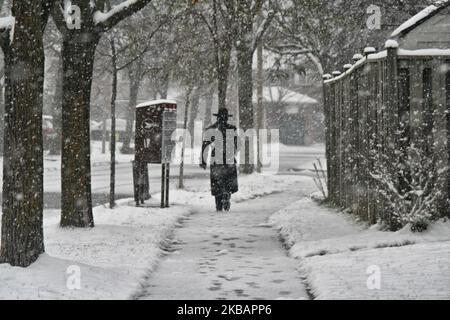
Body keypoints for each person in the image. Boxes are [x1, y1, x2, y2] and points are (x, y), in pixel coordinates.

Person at [200, 108, 238, 212]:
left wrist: (203, 161)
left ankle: (218, 204)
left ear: (217, 117)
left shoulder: (210, 129)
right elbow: (237, 145)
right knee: (228, 179)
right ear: (227, 117)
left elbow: (205, 146)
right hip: (229, 158)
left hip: (216, 159)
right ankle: (227, 194)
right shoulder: (232, 129)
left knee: (216, 182)